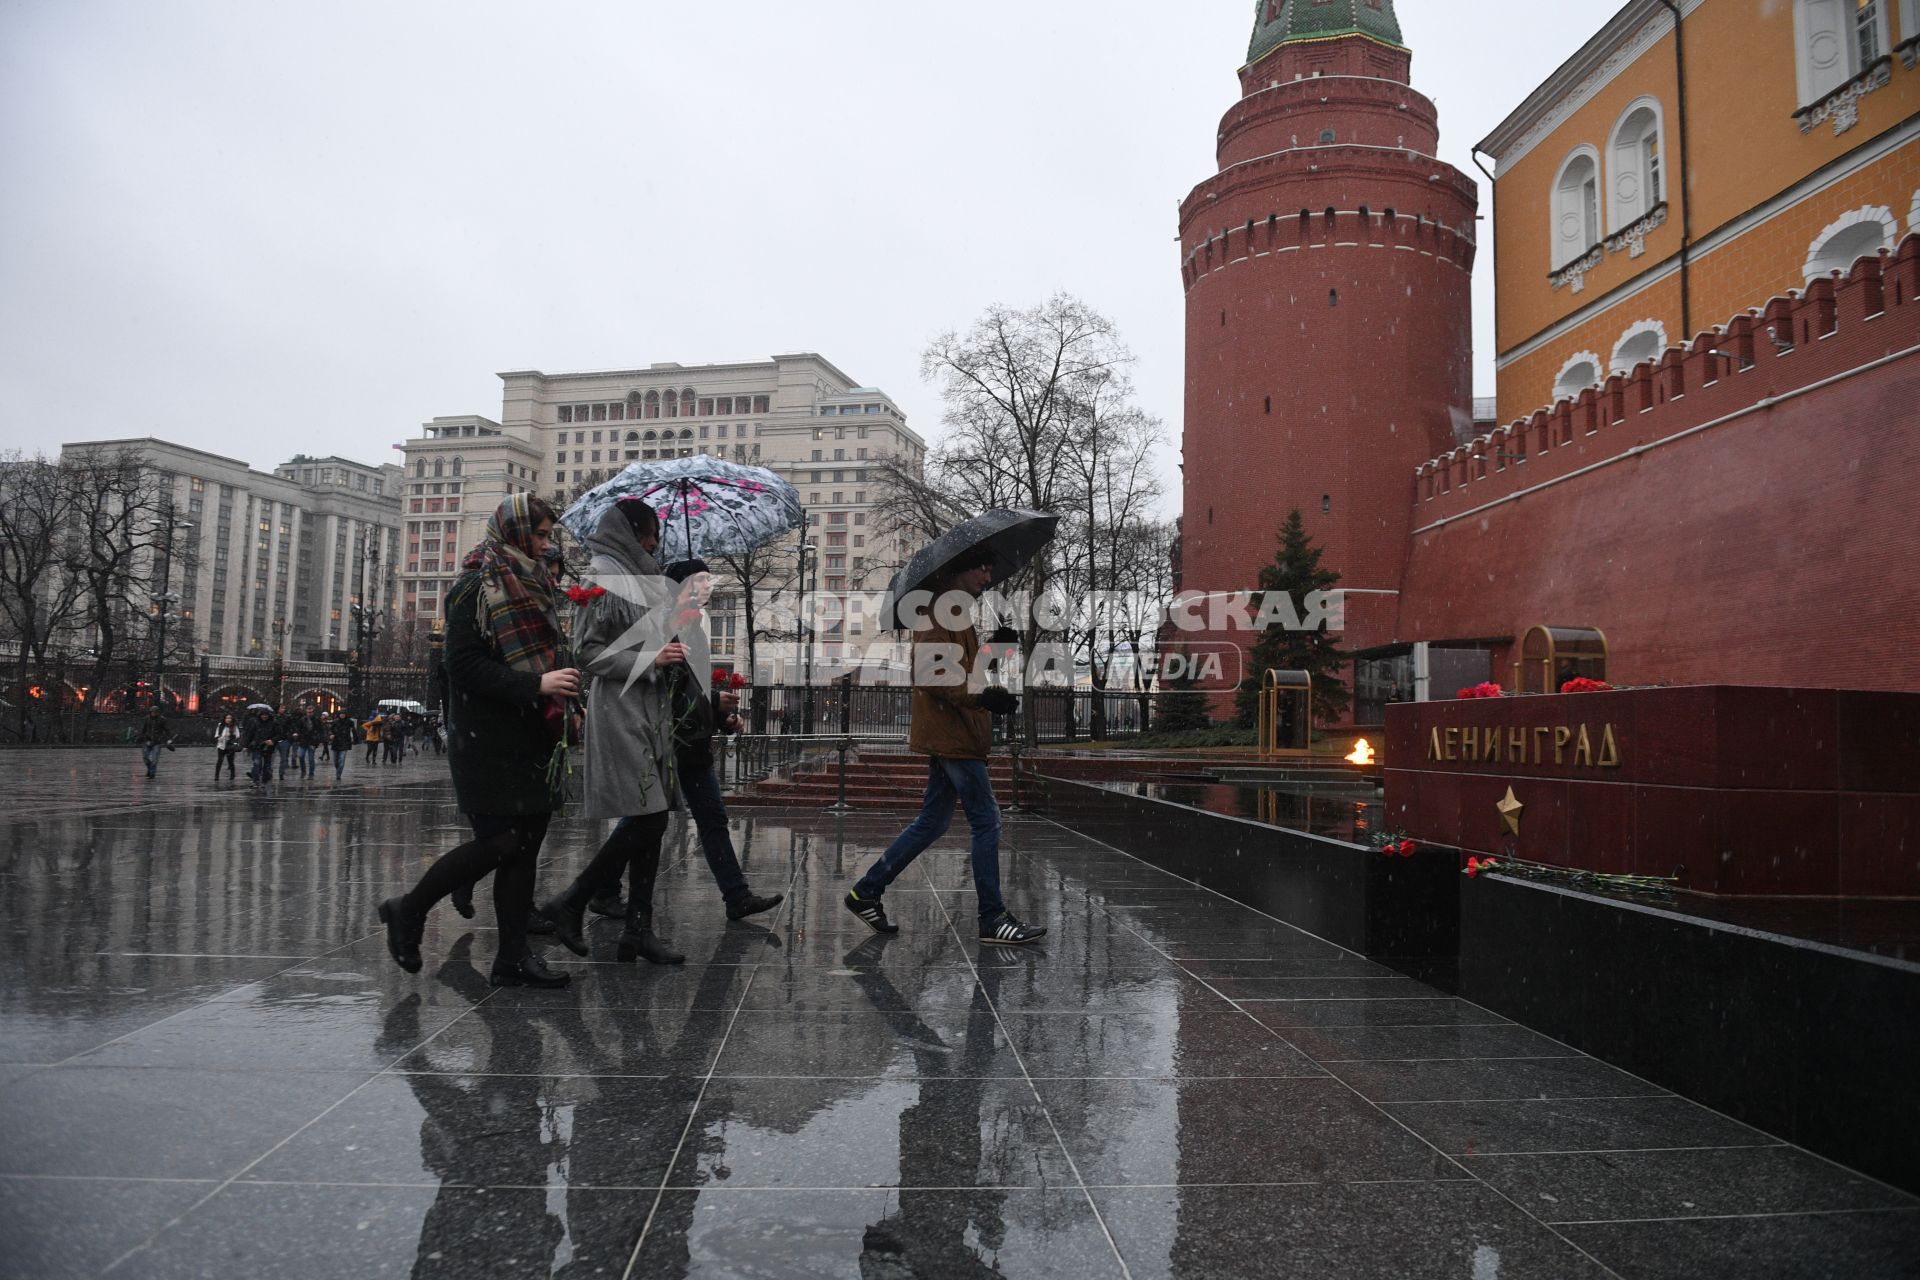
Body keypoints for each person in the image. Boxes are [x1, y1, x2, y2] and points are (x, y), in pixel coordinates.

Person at [379, 494, 581, 990]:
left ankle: (512, 958)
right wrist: (537, 686)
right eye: (538, 534)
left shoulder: (537, 585)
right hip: (488, 739)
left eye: (547, 535)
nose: (544, 543)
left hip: (533, 734)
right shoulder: (475, 587)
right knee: (501, 842)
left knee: (526, 848)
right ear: (512, 531)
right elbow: (462, 666)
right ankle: (408, 908)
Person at [844, 546, 1045, 946]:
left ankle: (866, 891)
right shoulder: (938, 613)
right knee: (986, 820)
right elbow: (932, 676)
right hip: (953, 734)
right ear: (959, 571)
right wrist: (982, 699)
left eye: (990, 569)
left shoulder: (955, 612)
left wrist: (995, 649)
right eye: (982, 570)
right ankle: (992, 917)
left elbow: (964, 672)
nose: (988, 578)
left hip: (957, 731)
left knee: (932, 822)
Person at [585, 558, 783, 925]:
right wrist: (709, 701)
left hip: (692, 741)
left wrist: (722, 715)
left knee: (709, 818)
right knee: (642, 821)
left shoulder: (693, 626)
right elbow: (665, 689)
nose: (707, 587)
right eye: (700, 580)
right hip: (668, 740)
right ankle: (598, 890)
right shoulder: (661, 626)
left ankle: (736, 896)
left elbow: (696, 687)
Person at [537, 498, 692, 966]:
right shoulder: (603, 576)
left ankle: (638, 930)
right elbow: (587, 653)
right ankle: (573, 900)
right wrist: (651, 658)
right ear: (630, 531)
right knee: (648, 816)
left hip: (651, 709)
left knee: (654, 816)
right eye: (648, 534)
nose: (653, 543)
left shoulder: (643, 580)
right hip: (622, 708)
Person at [242, 706, 277, 785]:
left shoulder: (273, 723)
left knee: (267, 765)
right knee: (257, 763)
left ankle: (264, 779)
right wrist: (246, 745)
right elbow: (249, 734)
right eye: (263, 715)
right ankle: (255, 780)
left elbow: (279, 734)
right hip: (257, 746)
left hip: (268, 747)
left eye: (266, 715)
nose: (264, 716)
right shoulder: (254, 722)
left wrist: (273, 740)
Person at [136, 709, 172, 779]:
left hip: (157, 742)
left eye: (155, 712)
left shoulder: (162, 720)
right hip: (147, 741)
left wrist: (168, 738)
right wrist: (140, 737)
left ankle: (152, 773)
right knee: (145, 757)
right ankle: (150, 769)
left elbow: (167, 730)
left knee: (155, 759)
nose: (154, 713)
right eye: (152, 712)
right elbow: (143, 729)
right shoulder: (147, 719)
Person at [212, 713, 242, 782]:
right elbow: (217, 735)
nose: (228, 719)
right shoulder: (220, 725)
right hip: (221, 745)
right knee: (220, 761)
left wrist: (231, 737)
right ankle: (216, 776)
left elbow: (238, 736)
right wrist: (222, 737)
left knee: (230, 761)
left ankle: (232, 775)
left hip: (230, 746)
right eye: (227, 718)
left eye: (230, 718)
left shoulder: (234, 726)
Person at [327, 711, 355, 782]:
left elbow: (353, 730)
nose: (342, 715)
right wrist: (331, 735)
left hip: (344, 743)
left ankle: (338, 774)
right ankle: (338, 770)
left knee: (341, 760)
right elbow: (330, 730)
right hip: (336, 743)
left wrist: (355, 739)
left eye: (343, 714)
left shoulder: (349, 722)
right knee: (336, 760)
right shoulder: (335, 722)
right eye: (341, 714)